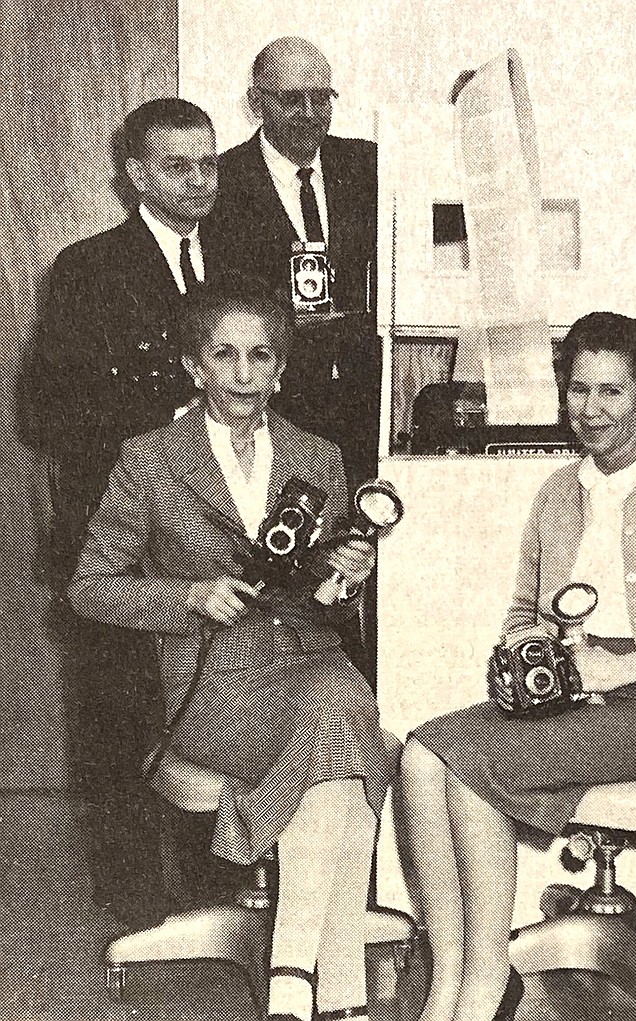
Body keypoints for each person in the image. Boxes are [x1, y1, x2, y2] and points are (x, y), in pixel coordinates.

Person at [68, 286, 393, 1021]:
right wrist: (186, 595)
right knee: (348, 727)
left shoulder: (319, 456)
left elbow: (327, 592)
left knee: (339, 715)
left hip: (310, 657)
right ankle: (326, 983)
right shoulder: (149, 461)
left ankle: (304, 987)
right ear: (194, 365)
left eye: (262, 356)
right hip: (214, 679)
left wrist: (348, 580)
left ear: (281, 370)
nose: (244, 374)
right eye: (225, 354)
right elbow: (89, 588)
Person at [399, 312, 636, 1021]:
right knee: (424, 754)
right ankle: (454, 970)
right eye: (579, 390)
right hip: (566, 697)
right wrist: (526, 653)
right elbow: (525, 608)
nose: (591, 410)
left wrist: (622, 667)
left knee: (470, 765)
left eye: (612, 392)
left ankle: (486, 979)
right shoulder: (556, 490)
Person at [19, 97, 220, 925]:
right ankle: (134, 902)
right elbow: (42, 409)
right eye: (179, 165)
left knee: (212, 704)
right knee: (117, 718)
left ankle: (217, 887)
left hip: (216, 529)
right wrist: (166, 413)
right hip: (120, 537)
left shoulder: (241, 256)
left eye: (209, 163)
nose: (200, 180)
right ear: (135, 173)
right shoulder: (88, 267)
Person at [204, 35, 379, 487]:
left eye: (321, 99)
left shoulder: (367, 165)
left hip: (368, 403)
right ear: (258, 102)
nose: (310, 114)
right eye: (292, 100)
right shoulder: (220, 184)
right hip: (278, 412)